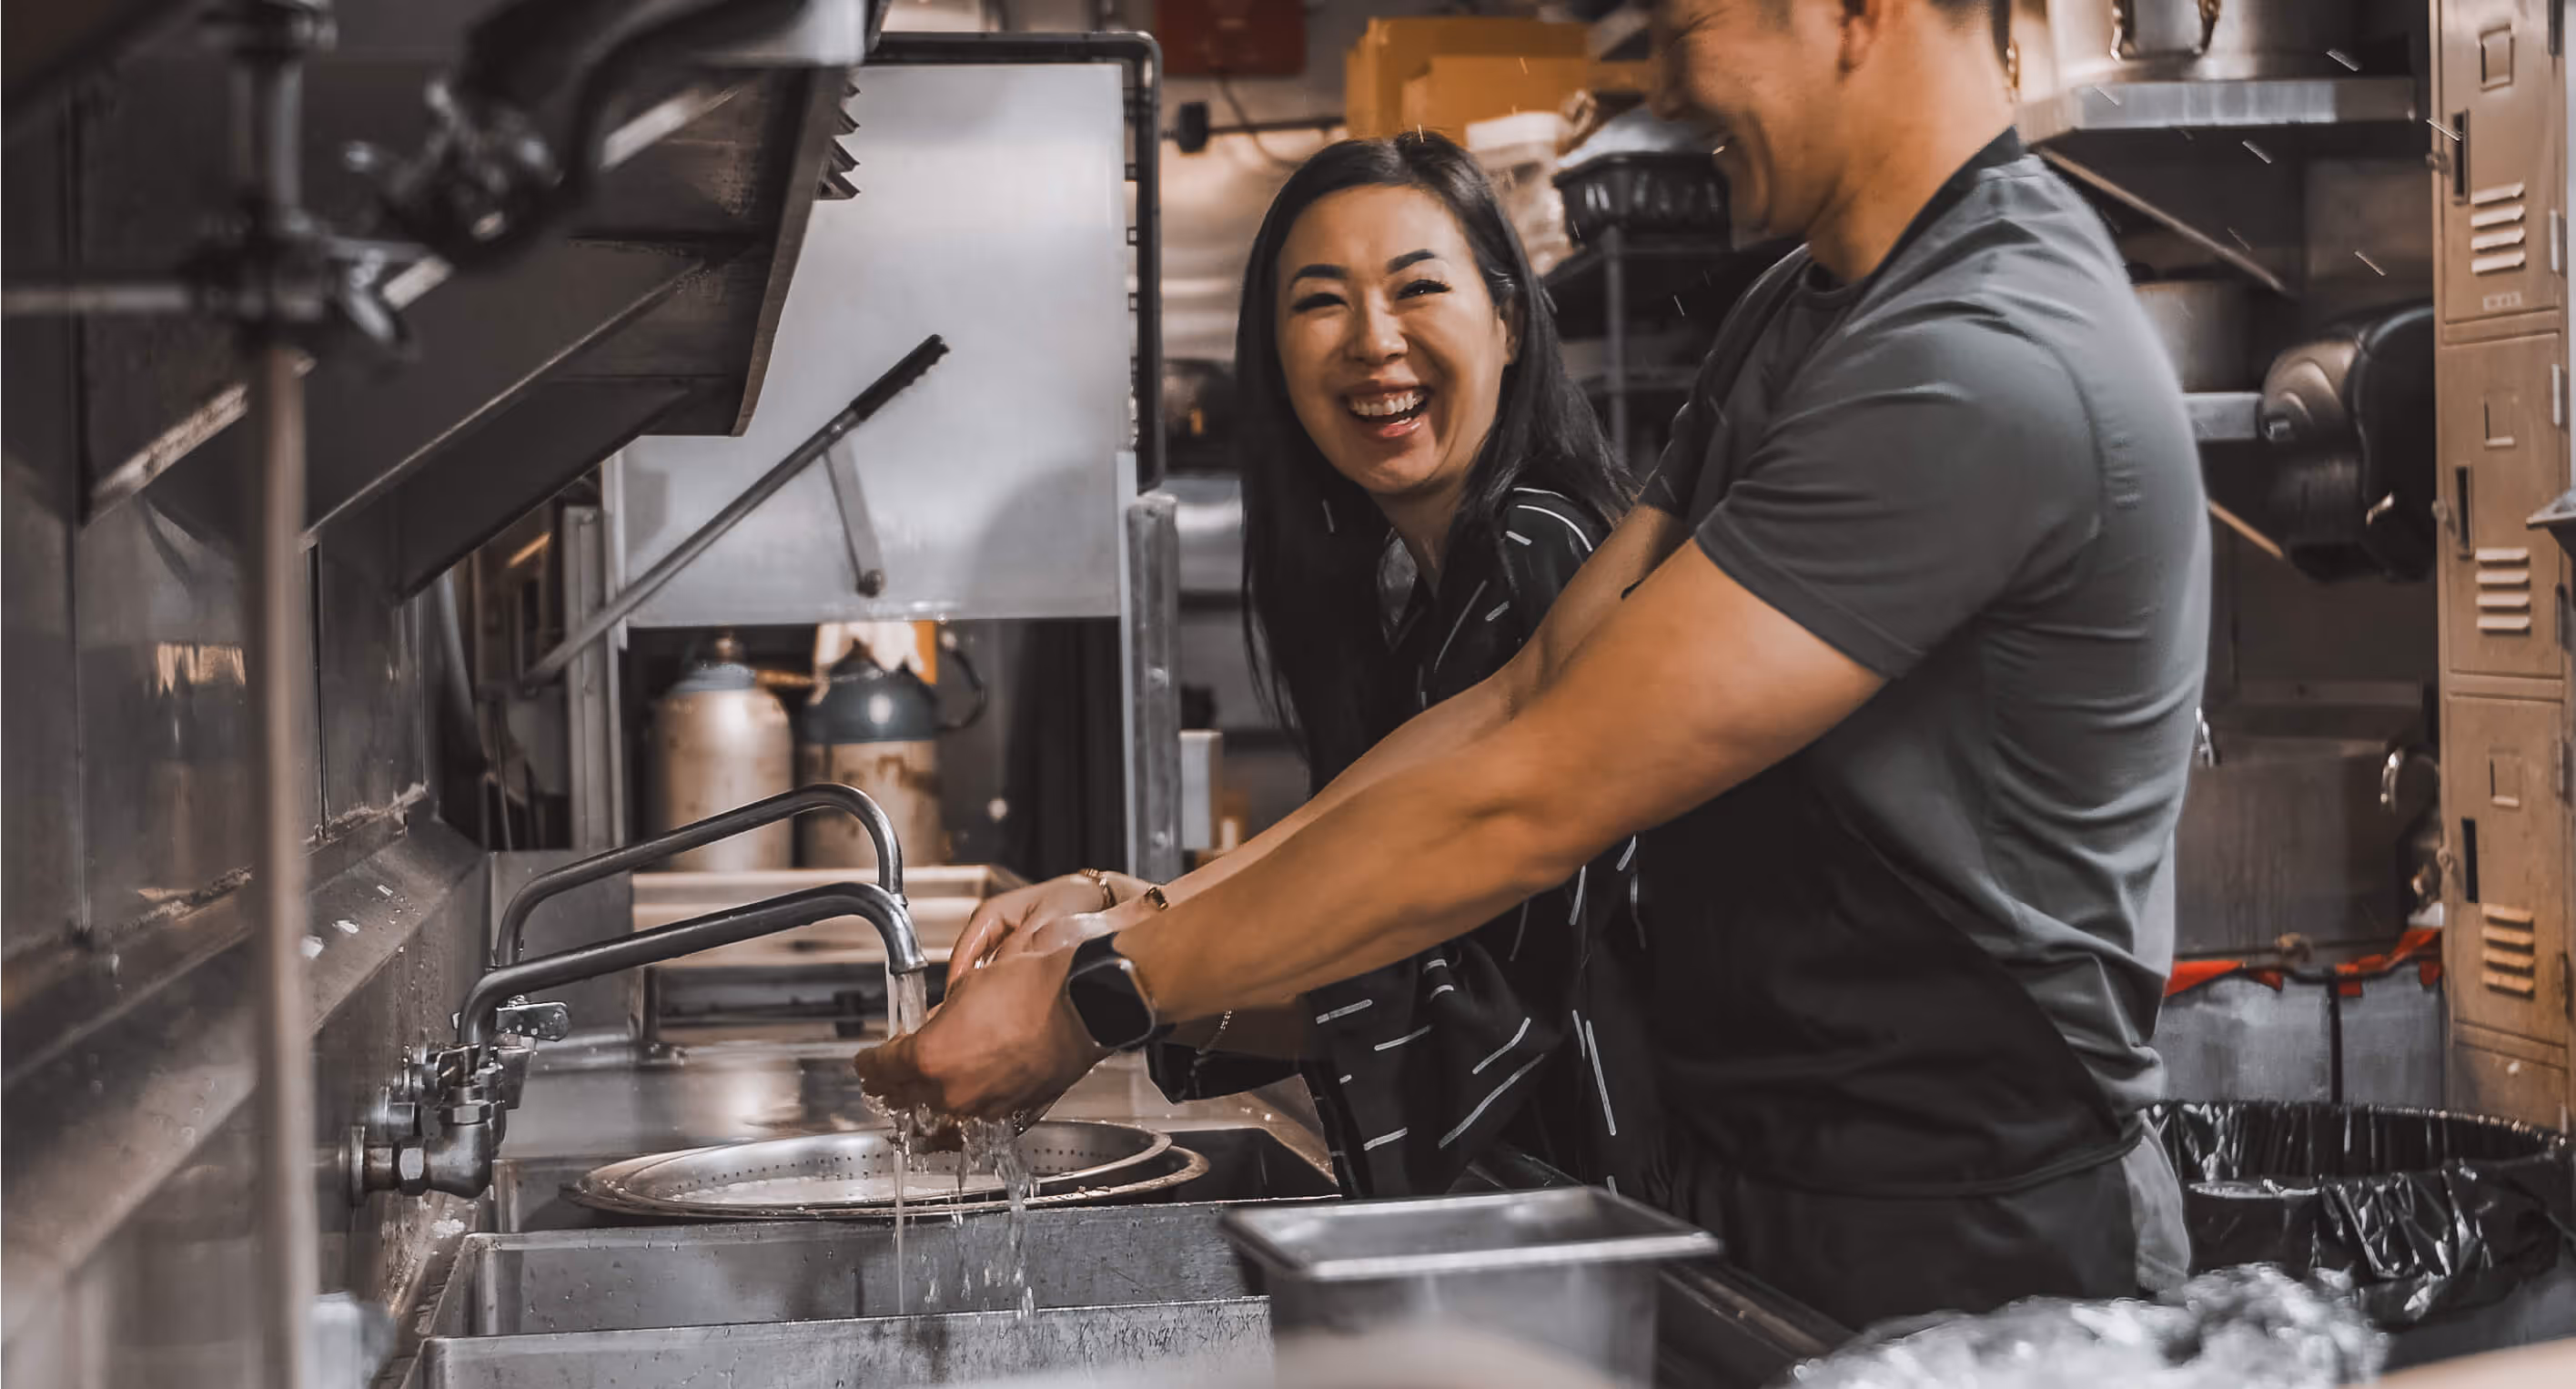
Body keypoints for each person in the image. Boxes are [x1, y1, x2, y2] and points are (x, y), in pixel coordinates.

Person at [864, 0, 2209, 1330]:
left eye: (1694, 27)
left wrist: (1109, 992)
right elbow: (1519, 699)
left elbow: (1535, 791)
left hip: (1969, 1227)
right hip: (1766, 1181)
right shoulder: (1803, 314)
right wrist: (1134, 921)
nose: (1670, 90)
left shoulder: (1975, 360)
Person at [955, 133, 1644, 1198]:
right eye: (1321, 302)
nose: (1374, 342)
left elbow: (1470, 993)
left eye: (1417, 287)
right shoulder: (1427, 594)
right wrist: (1114, 912)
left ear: (1508, 321)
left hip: (1631, 1214)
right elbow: (1374, 894)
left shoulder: (1537, 551)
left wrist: (1099, 996)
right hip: (1555, 1205)